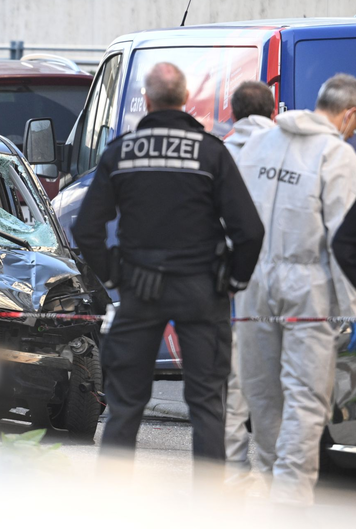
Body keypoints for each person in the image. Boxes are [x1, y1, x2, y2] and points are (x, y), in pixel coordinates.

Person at [73, 62, 264, 464]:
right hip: (202, 291)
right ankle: (207, 511)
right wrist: (232, 280)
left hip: (139, 289)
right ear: (184, 99)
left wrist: (114, 272)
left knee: (125, 407)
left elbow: (88, 228)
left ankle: (112, 506)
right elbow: (249, 230)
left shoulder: (122, 151)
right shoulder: (211, 152)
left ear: (147, 99)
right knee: (208, 408)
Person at [236, 73, 356, 505]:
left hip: (252, 287)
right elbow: (344, 239)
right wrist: (348, 311)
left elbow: (230, 217)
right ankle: (290, 501)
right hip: (309, 289)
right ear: (349, 113)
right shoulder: (337, 155)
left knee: (263, 393)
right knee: (305, 396)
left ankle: (271, 481)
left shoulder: (258, 145)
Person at [222, 81, 275, 476]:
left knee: (235, 378)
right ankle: (276, 468)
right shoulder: (286, 151)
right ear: (273, 111)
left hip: (234, 280)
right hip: (285, 278)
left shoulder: (221, 152)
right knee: (279, 378)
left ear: (233, 112)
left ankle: (233, 466)